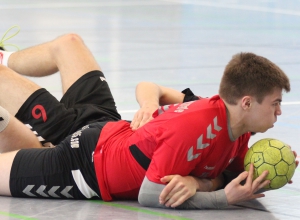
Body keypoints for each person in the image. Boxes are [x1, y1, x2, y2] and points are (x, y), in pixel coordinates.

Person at [0, 30, 297, 209]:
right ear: (246, 103)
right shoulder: (193, 129)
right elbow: (151, 193)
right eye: (275, 104)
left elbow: (225, 172)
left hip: (109, 129)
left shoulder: (234, 124)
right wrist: (221, 199)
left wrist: (271, 171)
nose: (279, 112)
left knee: (69, 43)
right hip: (84, 165)